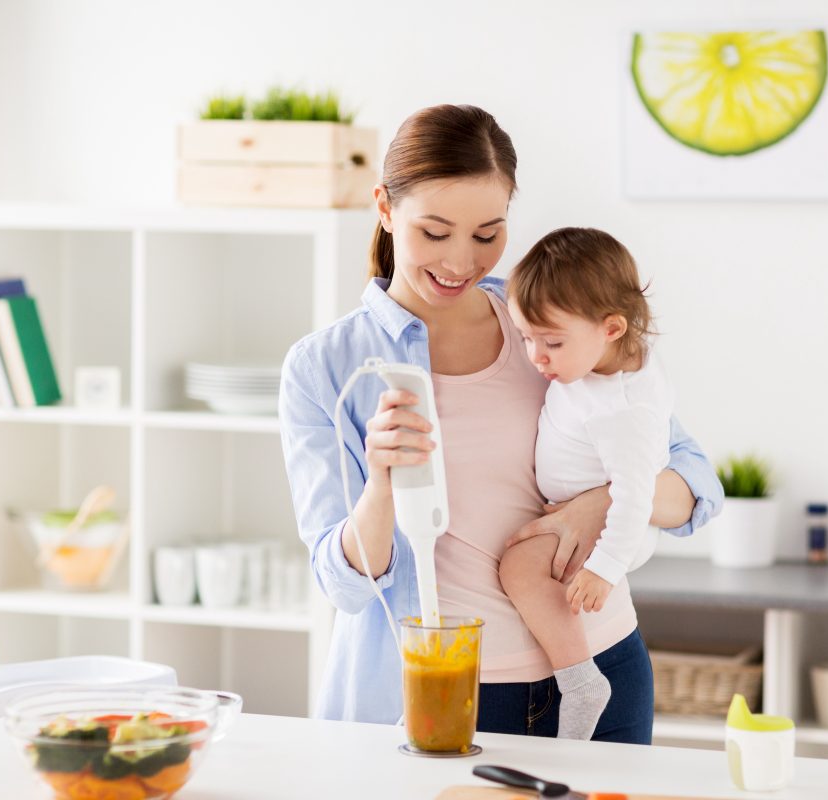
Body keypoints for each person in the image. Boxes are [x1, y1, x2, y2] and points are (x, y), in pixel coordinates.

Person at [278, 104, 723, 744]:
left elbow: (693, 481)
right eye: (434, 233)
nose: (461, 262)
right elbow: (344, 586)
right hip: (453, 692)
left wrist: (594, 506)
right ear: (384, 208)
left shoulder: (546, 313)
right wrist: (380, 483)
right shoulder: (326, 367)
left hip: (604, 664)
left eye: (487, 235)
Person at [500, 226, 674, 740]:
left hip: (614, 531)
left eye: (552, 342)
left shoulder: (621, 408)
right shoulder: (595, 365)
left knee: (520, 566)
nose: (536, 357)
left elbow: (636, 495)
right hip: (585, 512)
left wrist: (603, 568)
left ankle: (579, 682)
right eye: (527, 338)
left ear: (612, 328)